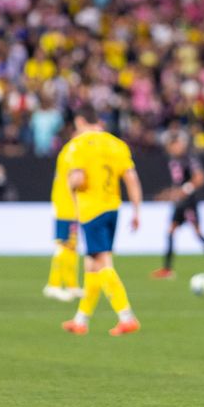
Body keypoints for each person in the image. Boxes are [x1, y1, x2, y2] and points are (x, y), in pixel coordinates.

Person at [60, 107, 143, 337]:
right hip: (112, 208)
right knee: (91, 265)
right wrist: (136, 210)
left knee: (103, 262)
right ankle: (81, 320)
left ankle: (127, 316)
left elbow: (78, 178)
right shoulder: (117, 144)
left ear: (80, 121)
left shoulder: (79, 145)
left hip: (91, 210)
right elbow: (131, 178)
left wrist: (69, 184)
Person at [151, 130, 204, 281]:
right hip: (181, 202)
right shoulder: (173, 160)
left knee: (198, 232)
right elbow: (178, 185)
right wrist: (167, 195)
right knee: (171, 231)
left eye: (175, 144)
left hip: (189, 202)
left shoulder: (188, 159)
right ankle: (167, 269)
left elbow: (200, 178)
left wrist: (185, 191)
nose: (173, 148)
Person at [43, 139, 82, 303]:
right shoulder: (73, 152)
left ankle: (71, 285)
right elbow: (76, 179)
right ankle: (53, 284)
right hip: (65, 206)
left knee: (72, 246)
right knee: (63, 245)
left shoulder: (70, 151)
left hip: (70, 206)